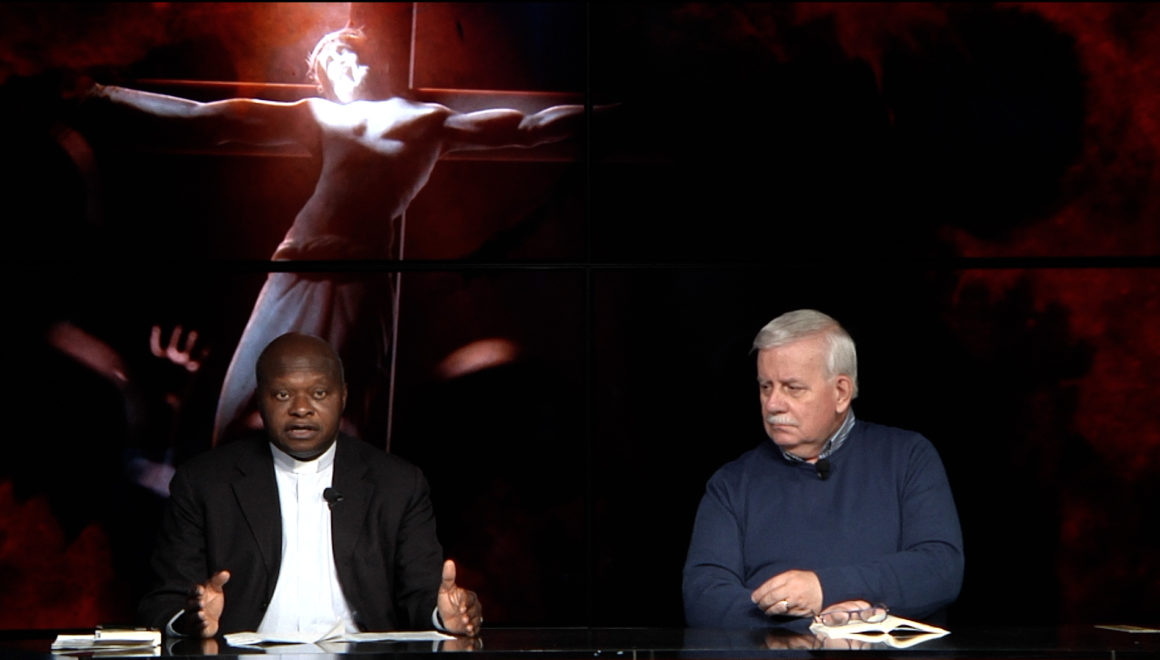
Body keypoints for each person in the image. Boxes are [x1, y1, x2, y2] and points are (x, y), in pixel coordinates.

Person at [84, 25, 589, 447]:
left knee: (339, 392)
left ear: (374, 63)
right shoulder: (321, 115)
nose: (343, 67)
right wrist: (102, 95)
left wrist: (613, 114)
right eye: (331, 63)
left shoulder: (427, 121)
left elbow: (530, 128)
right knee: (253, 388)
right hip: (297, 263)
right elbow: (206, 119)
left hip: (359, 272)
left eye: (349, 55)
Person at [137, 332, 482, 638]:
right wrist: (192, 620)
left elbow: (422, 596)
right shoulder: (203, 482)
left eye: (318, 392)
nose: (301, 408)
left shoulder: (398, 483)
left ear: (342, 396)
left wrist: (445, 615)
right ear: (260, 398)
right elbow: (163, 603)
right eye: (282, 394)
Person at [682, 309, 963, 629]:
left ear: (841, 392)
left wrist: (824, 589)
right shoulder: (731, 484)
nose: (773, 404)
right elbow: (704, 598)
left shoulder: (908, 457)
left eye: (792, 388)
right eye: (765, 387)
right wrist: (819, 627)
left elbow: (940, 569)